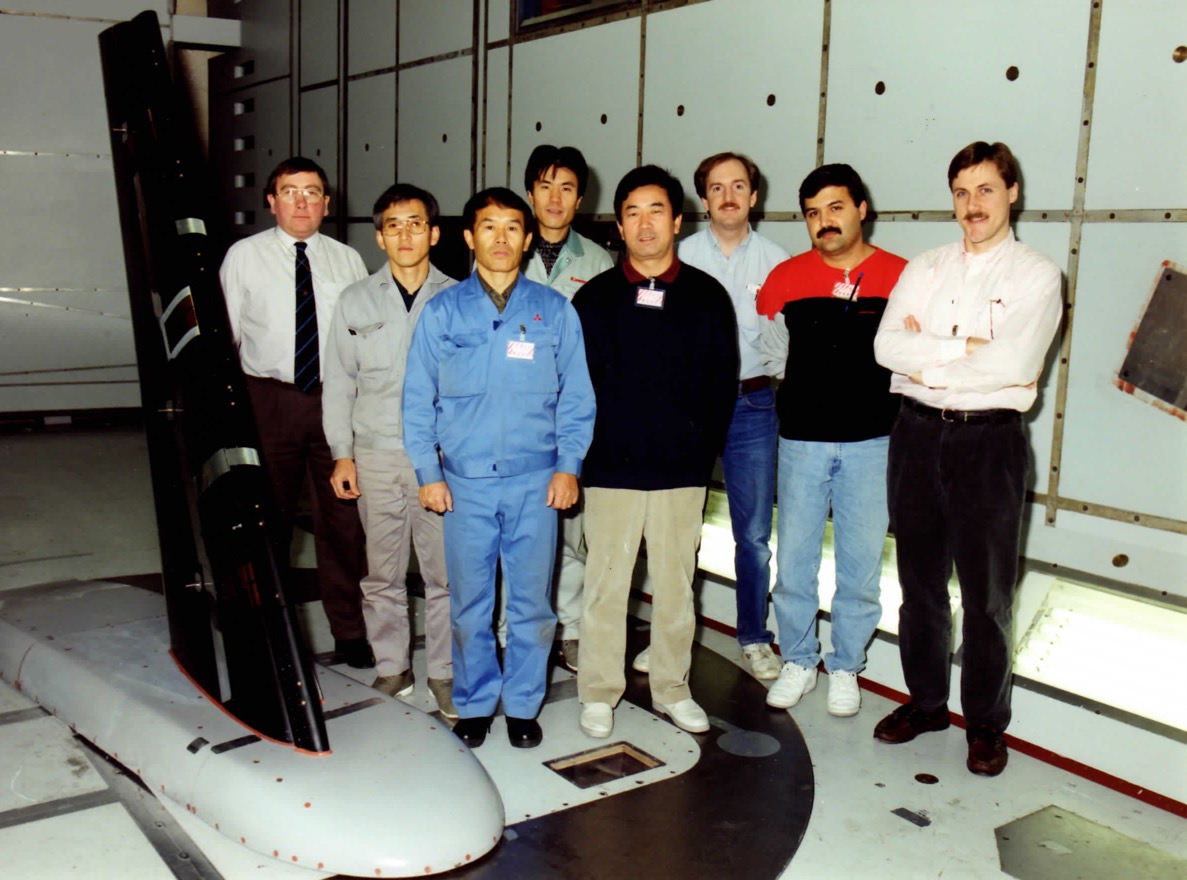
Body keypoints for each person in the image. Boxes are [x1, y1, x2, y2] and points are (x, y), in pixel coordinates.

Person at [872, 141, 1062, 776]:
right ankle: (926, 703)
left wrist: (930, 353)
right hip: (917, 435)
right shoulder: (924, 267)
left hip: (991, 444)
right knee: (919, 583)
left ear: (1012, 193)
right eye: (961, 192)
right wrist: (964, 347)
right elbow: (885, 347)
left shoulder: (1037, 275)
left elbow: (1015, 364)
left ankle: (984, 723)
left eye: (985, 190)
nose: (972, 205)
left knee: (987, 593)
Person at [402, 187, 595, 750]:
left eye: (514, 227)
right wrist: (427, 473)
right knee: (470, 605)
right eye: (489, 227)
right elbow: (417, 401)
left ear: (528, 238)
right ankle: (477, 701)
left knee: (533, 604)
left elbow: (577, 397)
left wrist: (568, 466)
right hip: (464, 486)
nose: (502, 238)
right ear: (469, 237)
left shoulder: (554, 311)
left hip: (537, 482)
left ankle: (524, 704)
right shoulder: (442, 312)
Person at [573, 166, 739, 739]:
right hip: (611, 469)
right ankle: (598, 691)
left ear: (677, 219)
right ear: (619, 225)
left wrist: (700, 455)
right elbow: (574, 388)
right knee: (605, 586)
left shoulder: (707, 297)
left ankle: (672, 686)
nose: (645, 224)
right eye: (633, 213)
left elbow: (722, 383)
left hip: (680, 471)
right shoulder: (593, 299)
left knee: (675, 587)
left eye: (656, 211)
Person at [757, 164, 907, 717]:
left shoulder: (901, 277)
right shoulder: (786, 278)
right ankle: (799, 659)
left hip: (873, 444)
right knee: (793, 560)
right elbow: (773, 351)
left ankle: (846, 667)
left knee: (860, 563)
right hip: (801, 442)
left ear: (861, 209)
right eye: (813, 213)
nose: (824, 222)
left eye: (835, 208)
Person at [220, 156, 373, 668]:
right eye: (290, 192)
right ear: (272, 200)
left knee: (342, 522)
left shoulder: (347, 259)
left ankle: (349, 630)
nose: (302, 202)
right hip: (269, 401)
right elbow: (228, 340)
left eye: (312, 192)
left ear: (327, 203)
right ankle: (267, 627)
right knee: (270, 520)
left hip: (334, 400)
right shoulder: (243, 257)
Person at [322, 183, 457, 718]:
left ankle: (445, 673)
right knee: (382, 573)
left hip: (441, 461)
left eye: (416, 223)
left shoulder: (457, 297)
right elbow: (338, 383)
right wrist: (341, 453)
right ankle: (392, 667)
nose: (405, 234)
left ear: (435, 233)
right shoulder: (355, 300)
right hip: (374, 454)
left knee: (446, 575)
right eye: (394, 225)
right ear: (379, 236)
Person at [674, 151, 789, 681]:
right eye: (716, 188)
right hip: (691, 404)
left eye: (738, 186)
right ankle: (671, 634)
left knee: (753, 534)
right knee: (678, 526)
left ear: (754, 195)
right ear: (703, 200)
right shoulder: (680, 257)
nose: (728, 196)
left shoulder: (776, 262)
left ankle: (753, 635)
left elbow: (785, 341)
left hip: (753, 404)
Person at [520, 145, 615, 673]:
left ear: (580, 197)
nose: (555, 198)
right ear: (531, 192)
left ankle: (572, 628)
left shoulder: (598, 262)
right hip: (518, 416)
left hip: (577, 415)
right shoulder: (509, 249)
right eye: (545, 186)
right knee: (522, 530)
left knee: (575, 534)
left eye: (567, 188)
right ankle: (517, 629)